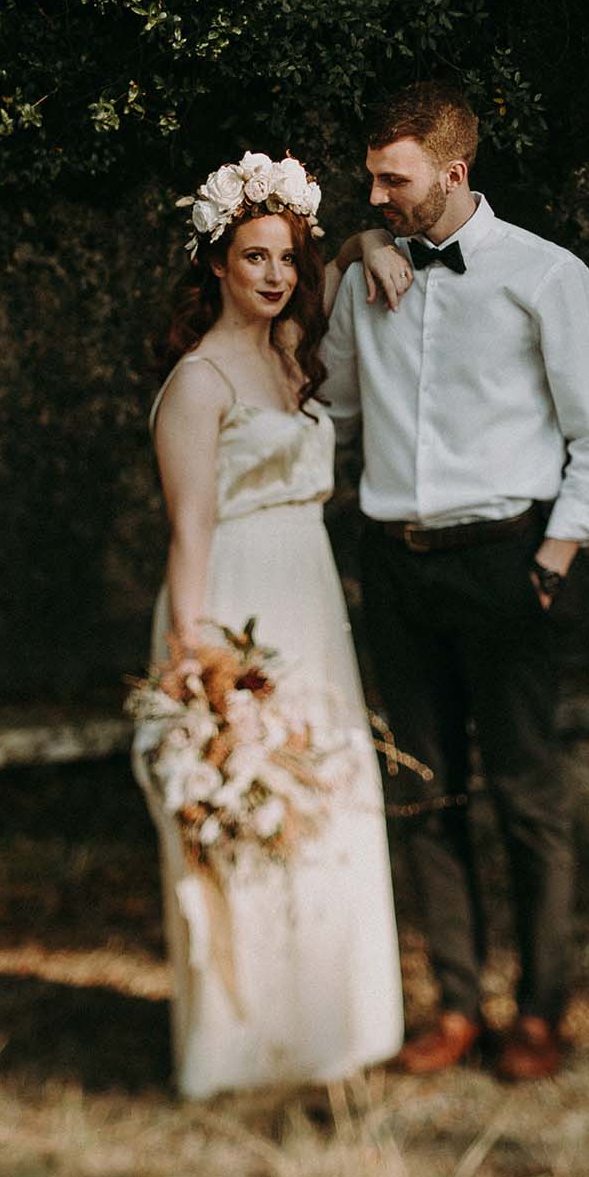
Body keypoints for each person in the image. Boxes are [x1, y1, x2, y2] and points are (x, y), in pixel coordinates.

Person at [321, 82, 589, 1083]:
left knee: (529, 800)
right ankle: (454, 1004)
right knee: (423, 794)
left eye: (390, 180)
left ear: (454, 172)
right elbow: (339, 415)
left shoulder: (547, 276)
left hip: (507, 564)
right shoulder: (369, 271)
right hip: (395, 565)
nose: (375, 196)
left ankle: (539, 1011)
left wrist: (553, 559)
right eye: (370, 176)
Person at [137, 150, 414, 1099]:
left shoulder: (293, 359)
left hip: (311, 597)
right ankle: (246, 1042)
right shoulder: (198, 383)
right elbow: (189, 530)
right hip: (238, 600)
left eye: (286, 256)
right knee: (248, 809)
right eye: (254, 255)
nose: (275, 274)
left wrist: (371, 236)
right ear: (216, 262)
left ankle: (336, 1026)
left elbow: (353, 268)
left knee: (327, 801)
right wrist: (200, 664)